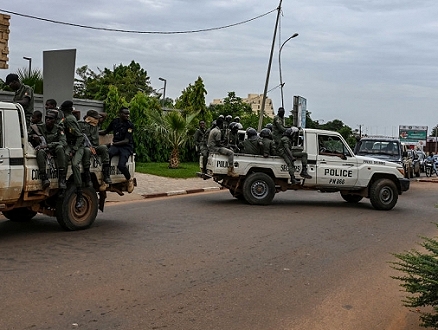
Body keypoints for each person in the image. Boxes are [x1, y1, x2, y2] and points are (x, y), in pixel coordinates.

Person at [100, 107, 135, 192]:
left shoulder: (129, 125)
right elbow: (105, 131)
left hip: (125, 147)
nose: (127, 115)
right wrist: (94, 132)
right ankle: (106, 180)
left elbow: (126, 140)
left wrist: (113, 144)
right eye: (125, 114)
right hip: (116, 146)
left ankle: (129, 180)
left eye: (128, 114)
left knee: (121, 165)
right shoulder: (115, 122)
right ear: (120, 114)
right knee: (107, 157)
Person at [29, 111, 67, 189]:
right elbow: (28, 137)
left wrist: (48, 145)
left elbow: (63, 142)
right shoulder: (38, 127)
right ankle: (44, 178)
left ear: (55, 120)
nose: (48, 120)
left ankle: (62, 179)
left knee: (60, 148)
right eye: (47, 118)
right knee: (40, 152)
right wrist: (33, 137)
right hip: (44, 150)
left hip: (54, 150)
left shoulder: (59, 129)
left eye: (50, 118)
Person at [59, 100, 85, 209]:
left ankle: (80, 195)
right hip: (69, 144)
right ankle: (62, 183)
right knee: (63, 157)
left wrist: (74, 149)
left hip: (78, 145)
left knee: (75, 165)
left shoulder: (69, 119)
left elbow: (80, 136)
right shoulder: (65, 119)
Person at [79, 109, 112, 187]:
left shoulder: (96, 125)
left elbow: (104, 115)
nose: (97, 120)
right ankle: (88, 177)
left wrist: (95, 114)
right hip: (86, 147)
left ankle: (106, 175)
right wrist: (88, 117)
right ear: (90, 118)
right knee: (86, 151)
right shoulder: (81, 125)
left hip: (95, 147)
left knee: (104, 148)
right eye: (95, 118)